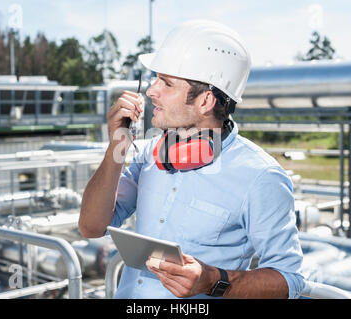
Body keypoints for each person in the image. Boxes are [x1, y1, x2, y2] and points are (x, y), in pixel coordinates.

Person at [79, 20, 304, 299]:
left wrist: (213, 280)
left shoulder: (260, 176)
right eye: (155, 78)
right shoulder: (151, 153)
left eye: (167, 83)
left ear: (205, 101)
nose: (151, 91)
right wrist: (117, 146)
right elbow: (90, 226)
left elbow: (290, 280)